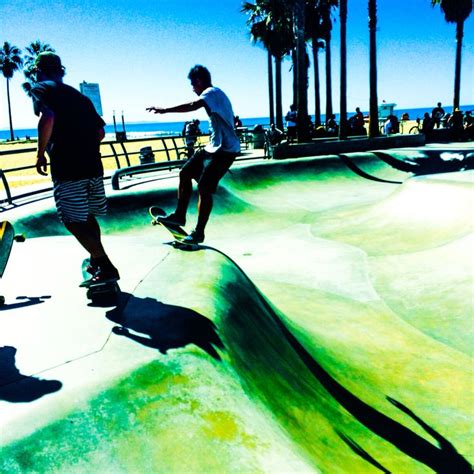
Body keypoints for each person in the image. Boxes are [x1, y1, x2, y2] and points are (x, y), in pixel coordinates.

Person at [30, 52, 119, 286]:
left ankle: (105, 265)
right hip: (93, 165)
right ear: (61, 71)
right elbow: (100, 132)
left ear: (38, 70)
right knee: (87, 215)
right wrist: (84, 148)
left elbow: (47, 117)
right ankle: (96, 260)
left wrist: (40, 154)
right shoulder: (79, 97)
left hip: (67, 167)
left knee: (71, 218)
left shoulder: (40, 88)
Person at [147, 65, 240, 244]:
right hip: (213, 147)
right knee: (185, 172)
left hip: (226, 150)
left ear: (199, 81)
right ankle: (179, 216)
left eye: (193, 85)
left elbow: (192, 105)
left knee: (204, 188)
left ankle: (199, 232)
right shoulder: (215, 96)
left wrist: (165, 110)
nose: (193, 89)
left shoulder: (211, 92)